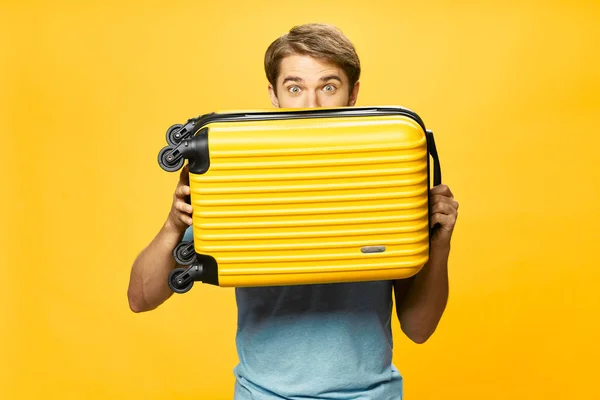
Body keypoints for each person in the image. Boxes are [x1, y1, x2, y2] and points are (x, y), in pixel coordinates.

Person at [127, 23, 459, 400]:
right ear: (275, 94)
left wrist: (440, 243)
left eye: (328, 87)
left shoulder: (388, 174)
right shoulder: (242, 173)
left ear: (353, 95)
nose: (311, 104)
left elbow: (419, 329)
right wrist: (174, 224)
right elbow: (141, 298)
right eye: (295, 87)